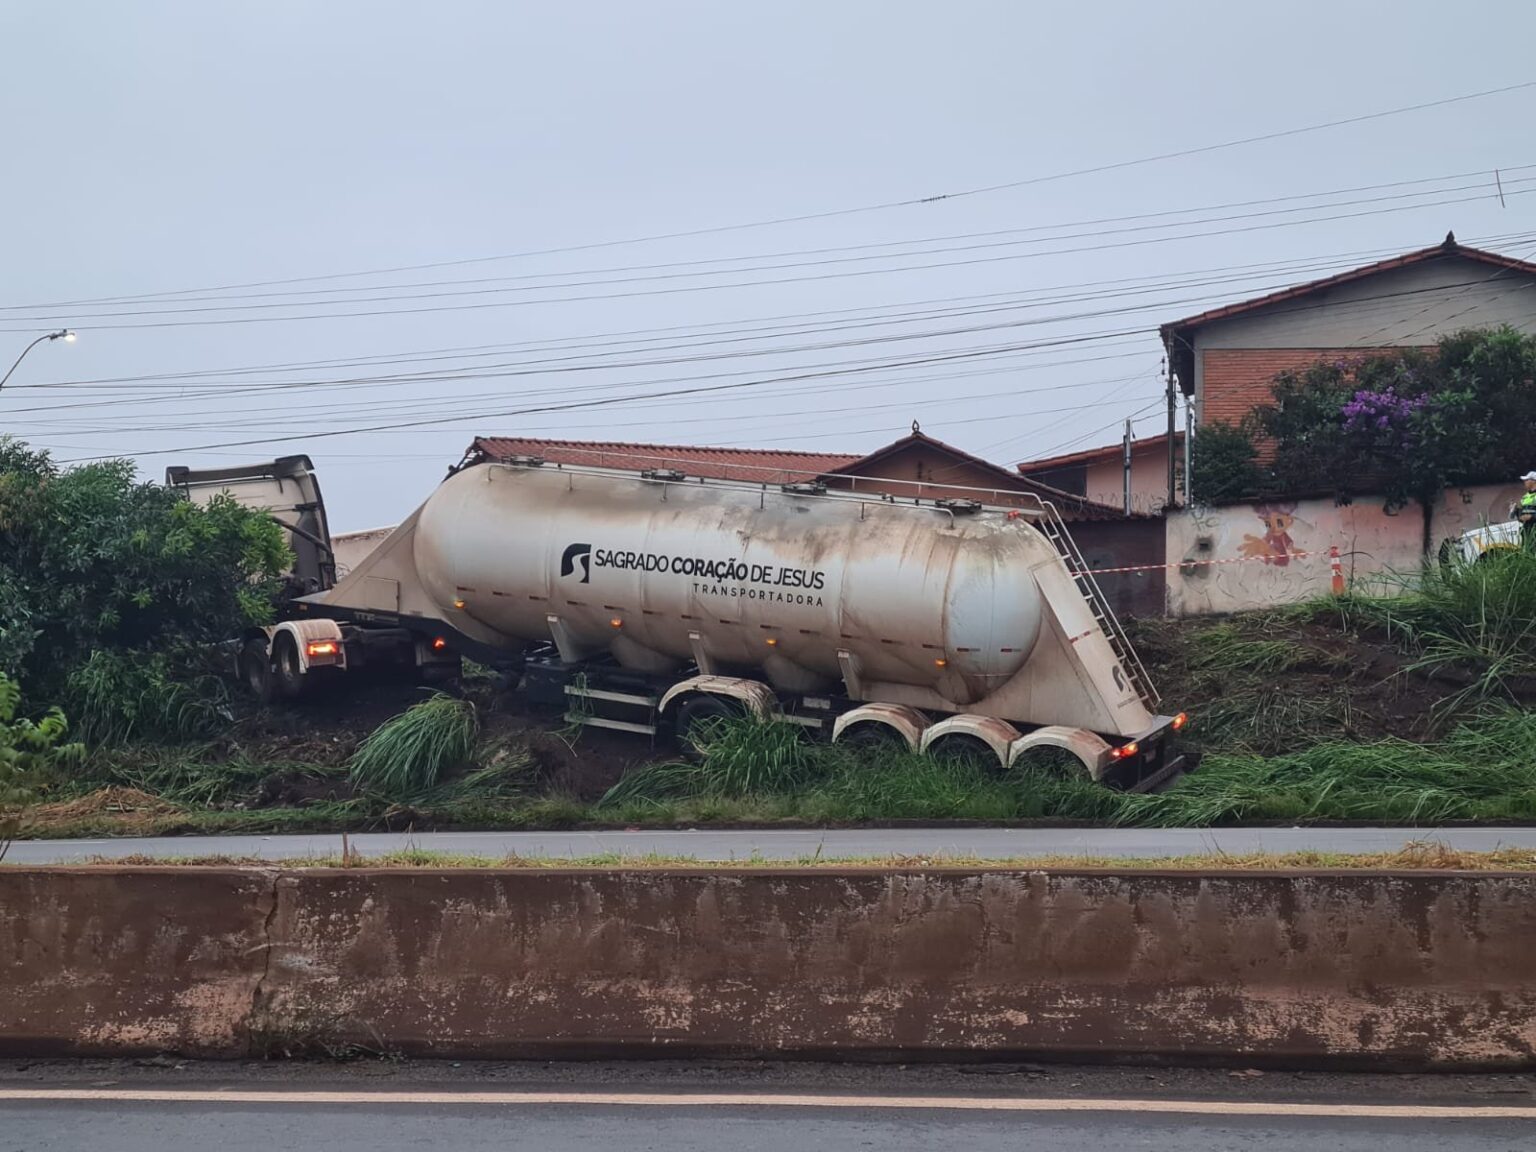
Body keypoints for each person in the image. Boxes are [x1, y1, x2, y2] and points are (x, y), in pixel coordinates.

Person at [1515, 471, 1536, 548]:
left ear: (1533, 481)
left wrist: (1531, 517)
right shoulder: (1525, 497)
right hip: (1527, 532)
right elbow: (1521, 516)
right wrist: (1516, 511)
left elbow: (1530, 516)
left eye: (1527, 480)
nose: (1524, 482)